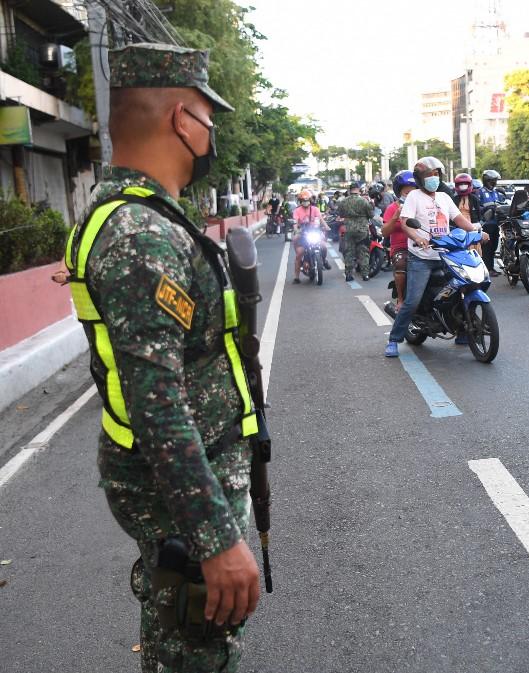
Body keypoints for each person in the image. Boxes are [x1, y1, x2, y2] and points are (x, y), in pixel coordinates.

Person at [62, 43, 261, 672]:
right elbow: (158, 403)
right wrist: (214, 536)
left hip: (187, 470)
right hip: (177, 484)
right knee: (195, 649)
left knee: (186, 632)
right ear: (182, 119)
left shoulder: (146, 218)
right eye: (208, 115)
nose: (212, 131)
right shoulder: (141, 236)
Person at [384, 156, 484, 357]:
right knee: (412, 301)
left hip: (446, 254)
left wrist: (477, 231)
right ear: (420, 178)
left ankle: (463, 331)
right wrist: (417, 238)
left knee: (462, 288)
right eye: (430, 175)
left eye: (437, 174)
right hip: (421, 257)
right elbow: (405, 222)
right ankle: (394, 340)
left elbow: (458, 219)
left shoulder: (444, 198)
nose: (434, 178)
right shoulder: (414, 197)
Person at [381, 170, 416, 309]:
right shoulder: (392, 208)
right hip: (401, 248)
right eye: (407, 192)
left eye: (413, 192)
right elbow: (384, 232)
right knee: (401, 264)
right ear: (399, 192)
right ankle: (401, 300)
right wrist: (395, 217)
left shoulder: (421, 206)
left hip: (421, 245)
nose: (410, 195)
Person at [339, 182, 375, 281]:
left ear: (350, 190)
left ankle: (349, 275)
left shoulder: (343, 201)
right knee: (363, 252)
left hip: (349, 229)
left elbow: (341, 214)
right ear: (358, 190)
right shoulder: (363, 201)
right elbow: (371, 214)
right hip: (362, 229)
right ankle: (365, 274)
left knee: (349, 252)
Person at [292, 188, 329, 283]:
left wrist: (326, 226)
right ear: (300, 201)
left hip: (315, 232)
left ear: (310, 200)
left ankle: (324, 261)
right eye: (303, 201)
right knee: (299, 253)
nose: (305, 202)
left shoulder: (315, 209)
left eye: (307, 200)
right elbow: (295, 222)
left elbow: (321, 219)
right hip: (303, 234)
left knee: (324, 246)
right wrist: (296, 230)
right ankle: (296, 277)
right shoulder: (297, 211)